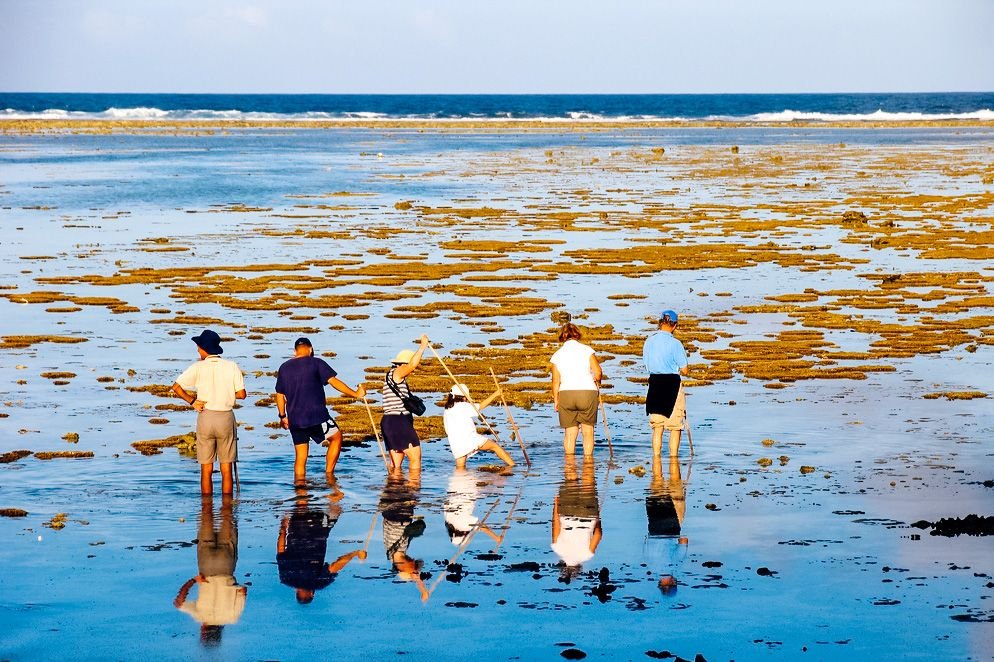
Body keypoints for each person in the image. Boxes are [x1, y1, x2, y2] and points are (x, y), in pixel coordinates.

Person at [274, 337, 366, 482]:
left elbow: (279, 394)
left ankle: (301, 495)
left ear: (294, 352)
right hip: (317, 416)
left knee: (300, 456)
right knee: (336, 437)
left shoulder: (284, 367)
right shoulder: (316, 363)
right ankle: (329, 475)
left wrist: (282, 416)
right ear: (310, 349)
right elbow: (334, 382)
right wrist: (356, 394)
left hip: (295, 419)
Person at [172, 329, 246, 495]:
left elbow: (176, 387)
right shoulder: (231, 366)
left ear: (203, 348)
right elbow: (242, 394)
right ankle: (226, 512)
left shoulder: (198, 367)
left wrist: (192, 401)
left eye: (198, 347)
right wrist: (225, 393)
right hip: (226, 417)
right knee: (226, 469)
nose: (197, 350)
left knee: (206, 470)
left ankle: (206, 510)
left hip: (205, 416)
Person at [174, 495, 247, 647]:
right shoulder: (200, 616)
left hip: (226, 565)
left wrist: (229, 588)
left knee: (227, 514)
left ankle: (225, 490)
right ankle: (207, 485)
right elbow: (178, 603)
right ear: (203, 632)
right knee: (206, 513)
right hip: (206, 569)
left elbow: (242, 591)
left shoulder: (232, 617)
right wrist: (193, 580)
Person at [277, 484, 366, 605]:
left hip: (318, 531)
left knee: (335, 509)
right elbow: (280, 549)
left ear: (312, 593)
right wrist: (283, 526)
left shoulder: (318, 583)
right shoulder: (286, 578)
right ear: (296, 592)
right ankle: (305, 480)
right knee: (302, 500)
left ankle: (332, 485)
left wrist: (355, 553)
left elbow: (336, 565)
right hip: (297, 529)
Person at [550, 323, 603, 456]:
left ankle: (569, 465)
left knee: (570, 433)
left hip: (566, 393)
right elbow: (597, 372)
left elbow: (555, 381)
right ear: (577, 334)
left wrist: (556, 400)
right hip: (587, 391)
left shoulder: (557, 355)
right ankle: (588, 464)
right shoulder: (587, 350)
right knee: (588, 432)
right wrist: (598, 382)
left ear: (563, 336)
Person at [643, 310, 690, 457]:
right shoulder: (675, 343)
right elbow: (685, 370)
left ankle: (656, 463)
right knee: (675, 427)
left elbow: (647, 365)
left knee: (657, 427)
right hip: (672, 384)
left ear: (660, 323)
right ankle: (673, 460)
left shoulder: (649, 341)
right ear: (674, 326)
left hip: (654, 383)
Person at [381, 334, 430, 471]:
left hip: (390, 421)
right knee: (415, 459)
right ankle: (414, 490)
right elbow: (413, 365)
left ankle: (394, 490)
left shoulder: (392, 376)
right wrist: (422, 346)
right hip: (398, 421)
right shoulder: (397, 372)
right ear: (402, 364)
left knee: (396, 467)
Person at [379, 470, 429, 601]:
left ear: (401, 567)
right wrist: (422, 588)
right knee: (406, 481)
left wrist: (421, 587)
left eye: (412, 569)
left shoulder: (393, 553)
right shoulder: (401, 551)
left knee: (401, 479)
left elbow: (413, 574)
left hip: (396, 513)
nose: (414, 567)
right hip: (399, 514)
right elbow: (413, 573)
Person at [551, 456, 602, 584]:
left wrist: (597, 519)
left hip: (587, 514)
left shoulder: (587, 555)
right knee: (570, 476)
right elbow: (556, 523)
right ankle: (571, 456)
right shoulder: (557, 548)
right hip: (566, 512)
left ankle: (588, 459)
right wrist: (556, 504)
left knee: (588, 479)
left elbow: (598, 534)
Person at [442, 384, 515, 469]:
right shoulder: (463, 406)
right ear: (464, 397)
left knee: (460, 468)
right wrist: (496, 394)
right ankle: (513, 466)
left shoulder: (447, 409)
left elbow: (447, 429)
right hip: (470, 438)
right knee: (495, 447)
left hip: (455, 442)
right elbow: (480, 406)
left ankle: (459, 481)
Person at [646, 455, 689, 594]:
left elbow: (683, 541)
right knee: (656, 487)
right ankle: (657, 461)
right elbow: (645, 544)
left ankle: (672, 460)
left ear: (671, 583)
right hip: (652, 528)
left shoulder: (674, 565)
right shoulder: (650, 565)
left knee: (671, 491)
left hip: (670, 529)